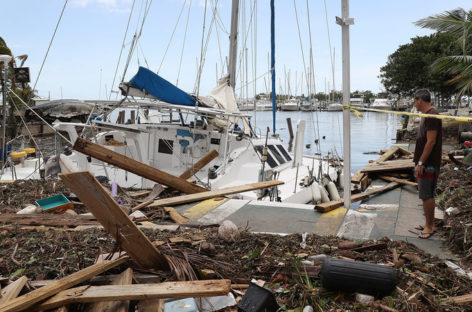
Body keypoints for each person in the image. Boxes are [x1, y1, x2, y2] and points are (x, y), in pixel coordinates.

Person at [413, 89, 442, 239]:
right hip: (426, 162)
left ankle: (429, 227)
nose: (414, 104)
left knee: (427, 195)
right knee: (425, 195)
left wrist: (420, 162)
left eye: (414, 100)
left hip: (428, 163)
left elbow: (431, 141)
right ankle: (428, 223)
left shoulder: (432, 115)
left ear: (420, 100)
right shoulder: (429, 115)